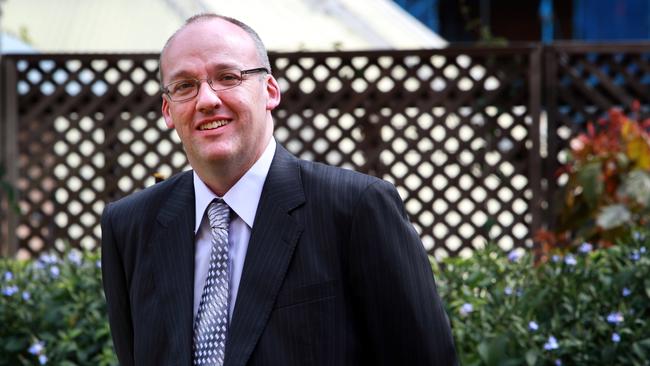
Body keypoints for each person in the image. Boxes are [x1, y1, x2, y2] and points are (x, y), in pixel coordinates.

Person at [101, 13, 457, 366]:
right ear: (167, 110)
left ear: (270, 91)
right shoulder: (130, 226)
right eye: (184, 86)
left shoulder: (354, 209)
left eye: (228, 77)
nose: (206, 100)